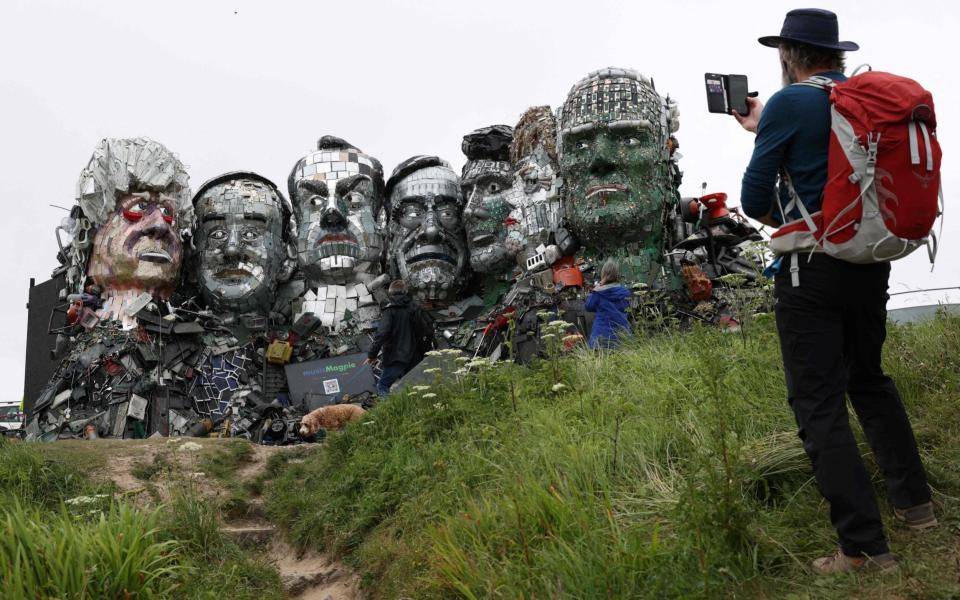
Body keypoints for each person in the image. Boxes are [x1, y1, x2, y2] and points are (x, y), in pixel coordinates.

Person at [734, 8, 935, 574]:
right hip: (871, 261)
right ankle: (916, 507)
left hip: (811, 271)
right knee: (869, 380)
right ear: (837, 55)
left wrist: (764, 136)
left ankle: (865, 548)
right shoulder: (864, 98)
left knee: (818, 404)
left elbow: (754, 202)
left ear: (787, 56)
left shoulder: (788, 103)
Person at [365, 279, 429, 395]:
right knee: (413, 388)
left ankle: (392, 412)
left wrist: (372, 355)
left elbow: (381, 334)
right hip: (415, 356)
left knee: (383, 386)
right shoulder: (415, 308)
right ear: (406, 292)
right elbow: (426, 330)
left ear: (390, 292)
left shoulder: (389, 310)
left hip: (395, 357)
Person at [585, 260, 632, 349]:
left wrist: (598, 286)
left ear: (603, 273)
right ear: (617, 274)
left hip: (600, 338)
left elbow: (588, 307)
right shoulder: (625, 292)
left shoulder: (598, 293)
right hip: (622, 338)